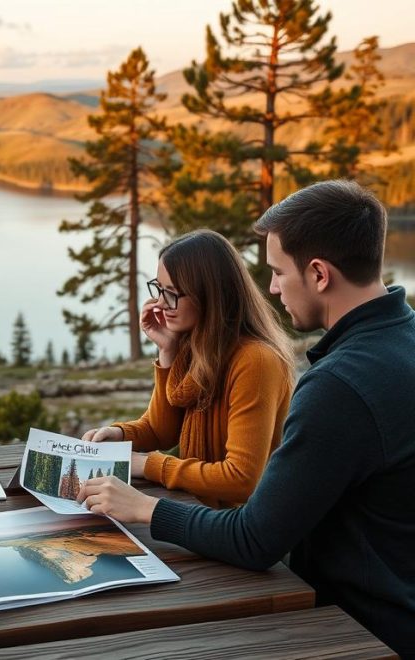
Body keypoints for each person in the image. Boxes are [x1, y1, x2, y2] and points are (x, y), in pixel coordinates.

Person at [76, 180, 415, 657]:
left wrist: (144, 505)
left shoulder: (340, 384)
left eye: (278, 272)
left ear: (319, 274)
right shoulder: (402, 341)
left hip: (355, 628)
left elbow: (253, 538)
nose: (273, 287)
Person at [82, 229, 294, 507]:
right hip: (197, 514)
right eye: (159, 289)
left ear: (208, 295)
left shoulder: (255, 360)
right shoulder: (196, 346)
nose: (159, 303)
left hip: (238, 529)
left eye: (171, 294)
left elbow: (241, 479)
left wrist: (147, 465)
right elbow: (162, 431)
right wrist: (120, 434)